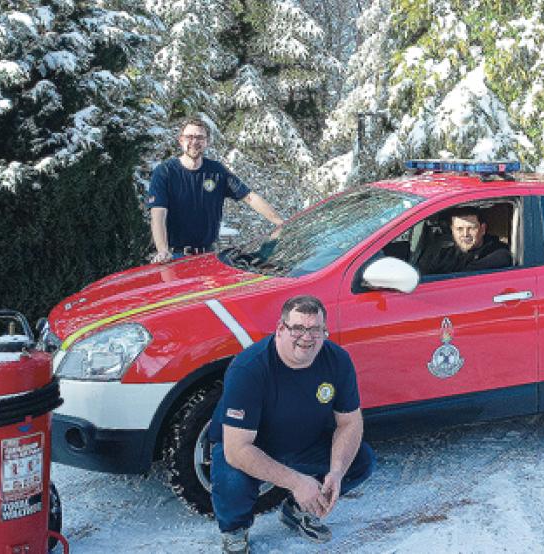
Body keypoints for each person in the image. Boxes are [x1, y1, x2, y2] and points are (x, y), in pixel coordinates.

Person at [208, 295, 376, 554]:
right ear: (281, 329)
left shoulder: (337, 360)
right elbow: (236, 449)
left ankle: (298, 511)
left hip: (304, 442)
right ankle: (235, 531)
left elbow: (350, 422)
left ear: (325, 331)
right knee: (232, 483)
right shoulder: (249, 368)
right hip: (252, 447)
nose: (307, 337)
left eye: (315, 329)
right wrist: (298, 483)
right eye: (298, 328)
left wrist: (336, 471)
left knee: (361, 460)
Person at [146, 118, 284, 263]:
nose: (194, 141)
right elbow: (158, 215)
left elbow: (250, 197)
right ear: (181, 140)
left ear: (207, 142)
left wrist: (279, 222)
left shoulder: (217, 171)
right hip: (176, 257)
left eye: (200, 137)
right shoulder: (165, 172)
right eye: (189, 137)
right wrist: (163, 250)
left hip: (209, 256)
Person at [418, 207, 513, 275]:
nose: (465, 234)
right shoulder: (442, 253)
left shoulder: (498, 254)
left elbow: (464, 277)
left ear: (483, 229)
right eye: (459, 229)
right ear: (452, 230)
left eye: (471, 228)